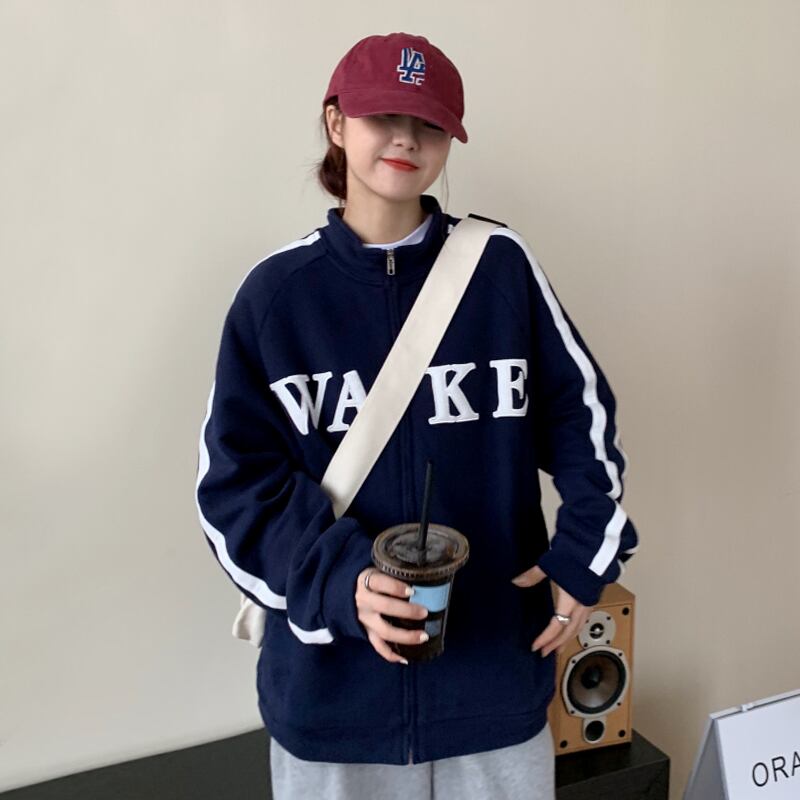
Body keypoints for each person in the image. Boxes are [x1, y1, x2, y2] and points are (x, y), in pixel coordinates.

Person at [195, 31, 639, 800]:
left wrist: (584, 553)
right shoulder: (276, 298)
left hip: (495, 689)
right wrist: (342, 581)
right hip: (334, 707)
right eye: (383, 116)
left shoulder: (501, 269)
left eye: (429, 123)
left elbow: (582, 418)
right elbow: (235, 488)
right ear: (337, 122)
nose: (406, 138)